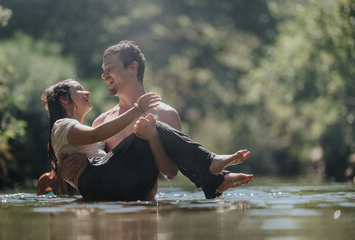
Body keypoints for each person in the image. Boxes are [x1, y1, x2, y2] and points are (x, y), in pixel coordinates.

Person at [47, 40, 253, 200]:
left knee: (154, 129)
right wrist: (61, 172)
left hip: (142, 201)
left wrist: (153, 138)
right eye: (103, 70)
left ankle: (214, 174)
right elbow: (91, 170)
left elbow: (171, 173)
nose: (103, 75)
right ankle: (215, 175)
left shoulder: (165, 114)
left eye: (109, 68)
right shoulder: (101, 122)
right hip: (111, 205)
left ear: (132, 68)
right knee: (149, 130)